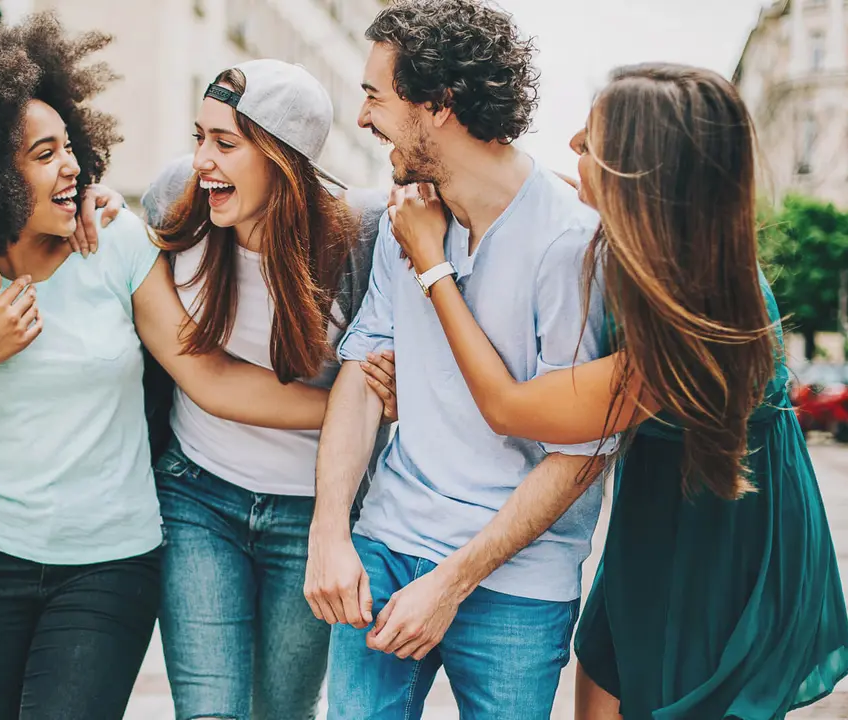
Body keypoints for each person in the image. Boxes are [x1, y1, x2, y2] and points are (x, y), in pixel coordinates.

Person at [0, 16, 338, 720]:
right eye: (44, 154)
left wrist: (358, 407)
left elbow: (205, 376)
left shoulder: (113, 242)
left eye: (69, 148)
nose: (73, 168)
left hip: (113, 562)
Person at [377, 63, 848, 720]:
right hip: (654, 520)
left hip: (718, 556)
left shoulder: (695, 321)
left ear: (645, 176)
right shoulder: (653, 258)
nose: (572, 143)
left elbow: (511, 407)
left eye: (593, 138)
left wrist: (433, 266)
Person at [303, 1, 619, 717]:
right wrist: (330, 532)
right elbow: (360, 375)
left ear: (439, 104)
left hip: (515, 581)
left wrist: (450, 583)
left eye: (375, 97)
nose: (361, 119)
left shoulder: (572, 244)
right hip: (385, 547)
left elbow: (583, 451)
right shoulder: (406, 216)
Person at [137, 60, 392, 720]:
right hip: (197, 495)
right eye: (199, 137)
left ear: (284, 158)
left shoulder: (357, 237)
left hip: (307, 514)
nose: (201, 161)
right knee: (211, 711)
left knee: (283, 710)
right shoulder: (175, 200)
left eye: (225, 143)